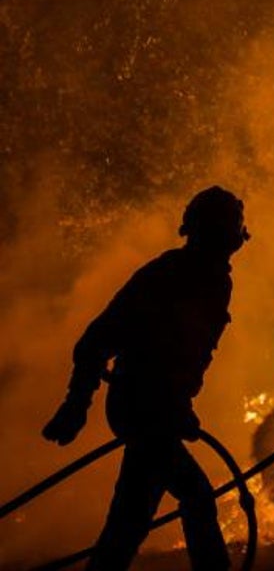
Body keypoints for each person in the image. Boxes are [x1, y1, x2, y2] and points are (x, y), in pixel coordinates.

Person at [42, 186, 250, 571]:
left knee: (131, 518)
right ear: (204, 235)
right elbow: (95, 342)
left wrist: (180, 405)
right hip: (139, 408)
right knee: (198, 497)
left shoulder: (216, 283)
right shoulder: (164, 276)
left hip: (161, 412)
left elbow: (183, 359)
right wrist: (75, 406)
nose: (226, 253)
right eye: (221, 240)